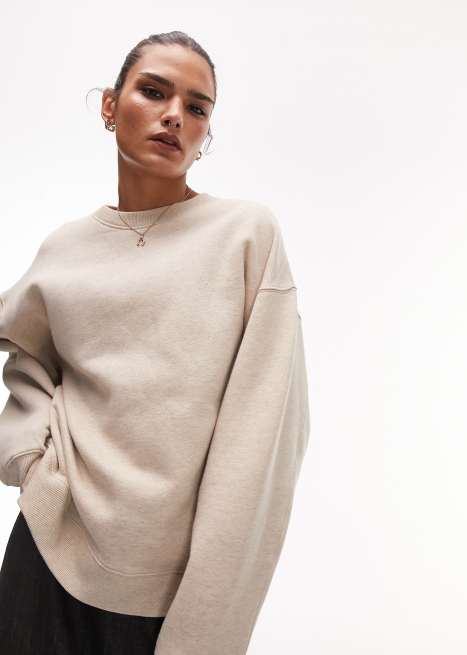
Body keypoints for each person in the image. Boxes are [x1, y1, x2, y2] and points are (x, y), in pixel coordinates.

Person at [0, 30, 310, 655]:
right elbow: (30, 357)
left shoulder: (245, 235)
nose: (174, 115)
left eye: (197, 107)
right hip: (47, 549)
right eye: (153, 92)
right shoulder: (66, 248)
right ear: (110, 106)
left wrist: (207, 623)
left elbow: (264, 438)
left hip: (164, 587)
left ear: (205, 133)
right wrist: (32, 460)